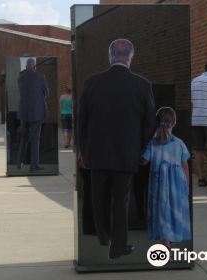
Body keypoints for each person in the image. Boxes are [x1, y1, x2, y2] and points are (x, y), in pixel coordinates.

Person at [78, 39, 156, 259]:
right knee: (120, 201)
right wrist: (142, 150)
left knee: (98, 197)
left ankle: (104, 237)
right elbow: (149, 122)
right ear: (130, 57)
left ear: (110, 56)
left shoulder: (91, 83)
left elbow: (82, 120)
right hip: (127, 153)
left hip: (97, 152)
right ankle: (118, 246)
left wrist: (83, 151)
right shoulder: (143, 85)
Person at [142, 107, 192, 249]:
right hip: (178, 184)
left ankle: (165, 239)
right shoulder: (179, 143)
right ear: (174, 123)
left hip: (159, 184)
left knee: (162, 210)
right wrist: (187, 185)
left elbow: (144, 161)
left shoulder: (153, 143)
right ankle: (171, 238)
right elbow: (185, 166)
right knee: (175, 210)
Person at [16, 58, 49, 171]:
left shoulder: (20, 78)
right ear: (34, 65)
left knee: (23, 138)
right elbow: (46, 92)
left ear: (26, 66)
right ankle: (34, 165)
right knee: (35, 139)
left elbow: (22, 93)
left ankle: (19, 163)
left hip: (24, 112)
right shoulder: (40, 77)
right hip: (36, 112)